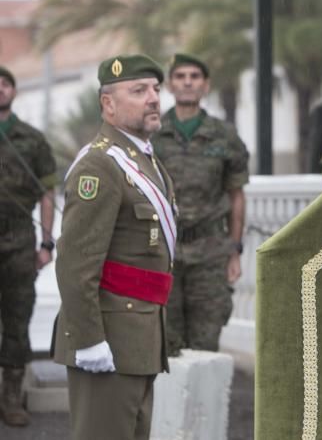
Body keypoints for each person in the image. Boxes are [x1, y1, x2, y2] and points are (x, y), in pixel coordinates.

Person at [53, 55, 175, 440]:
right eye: (138, 91)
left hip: (138, 337)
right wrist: (89, 341)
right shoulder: (101, 166)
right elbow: (75, 265)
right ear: (108, 103)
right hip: (108, 340)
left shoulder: (146, 161)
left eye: (155, 89)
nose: (153, 98)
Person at [152, 53, 249, 355]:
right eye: (180, 76)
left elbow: (236, 195)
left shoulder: (225, 136)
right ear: (170, 85)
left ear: (205, 86)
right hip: (162, 251)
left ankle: (204, 405)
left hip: (209, 252)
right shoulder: (152, 134)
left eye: (195, 76)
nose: (188, 82)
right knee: (164, 342)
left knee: (206, 342)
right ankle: (168, 405)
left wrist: (234, 250)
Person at [0, 66, 56, 427]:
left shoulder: (32, 140)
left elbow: (48, 193)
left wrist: (46, 243)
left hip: (18, 241)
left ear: (14, 92)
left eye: (5, 84)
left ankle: (10, 397)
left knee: (17, 319)